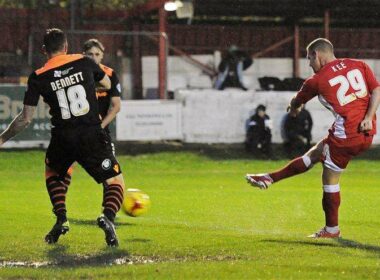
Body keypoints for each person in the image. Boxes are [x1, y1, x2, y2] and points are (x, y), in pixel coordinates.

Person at [0, 28, 126, 247]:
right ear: (66, 47)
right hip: (91, 134)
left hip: (63, 137)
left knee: (54, 172)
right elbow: (106, 84)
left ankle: (61, 217)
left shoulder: (38, 76)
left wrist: (1, 139)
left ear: (43, 50)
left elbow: (25, 119)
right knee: (115, 180)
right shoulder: (84, 62)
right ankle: (108, 216)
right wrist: (82, 82)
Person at [246, 38, 380, 238]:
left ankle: (331, 230)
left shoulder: (316, 80)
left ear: (317, 54)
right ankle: (269, 178)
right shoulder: (359, 64)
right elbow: (376, 90)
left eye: (309, 59)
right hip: (367, 131)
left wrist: (293, 109)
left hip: (347, 136)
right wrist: (369, 117)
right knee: (316, 152)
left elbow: (297, 101)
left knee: (329, 179)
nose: (309, 64)